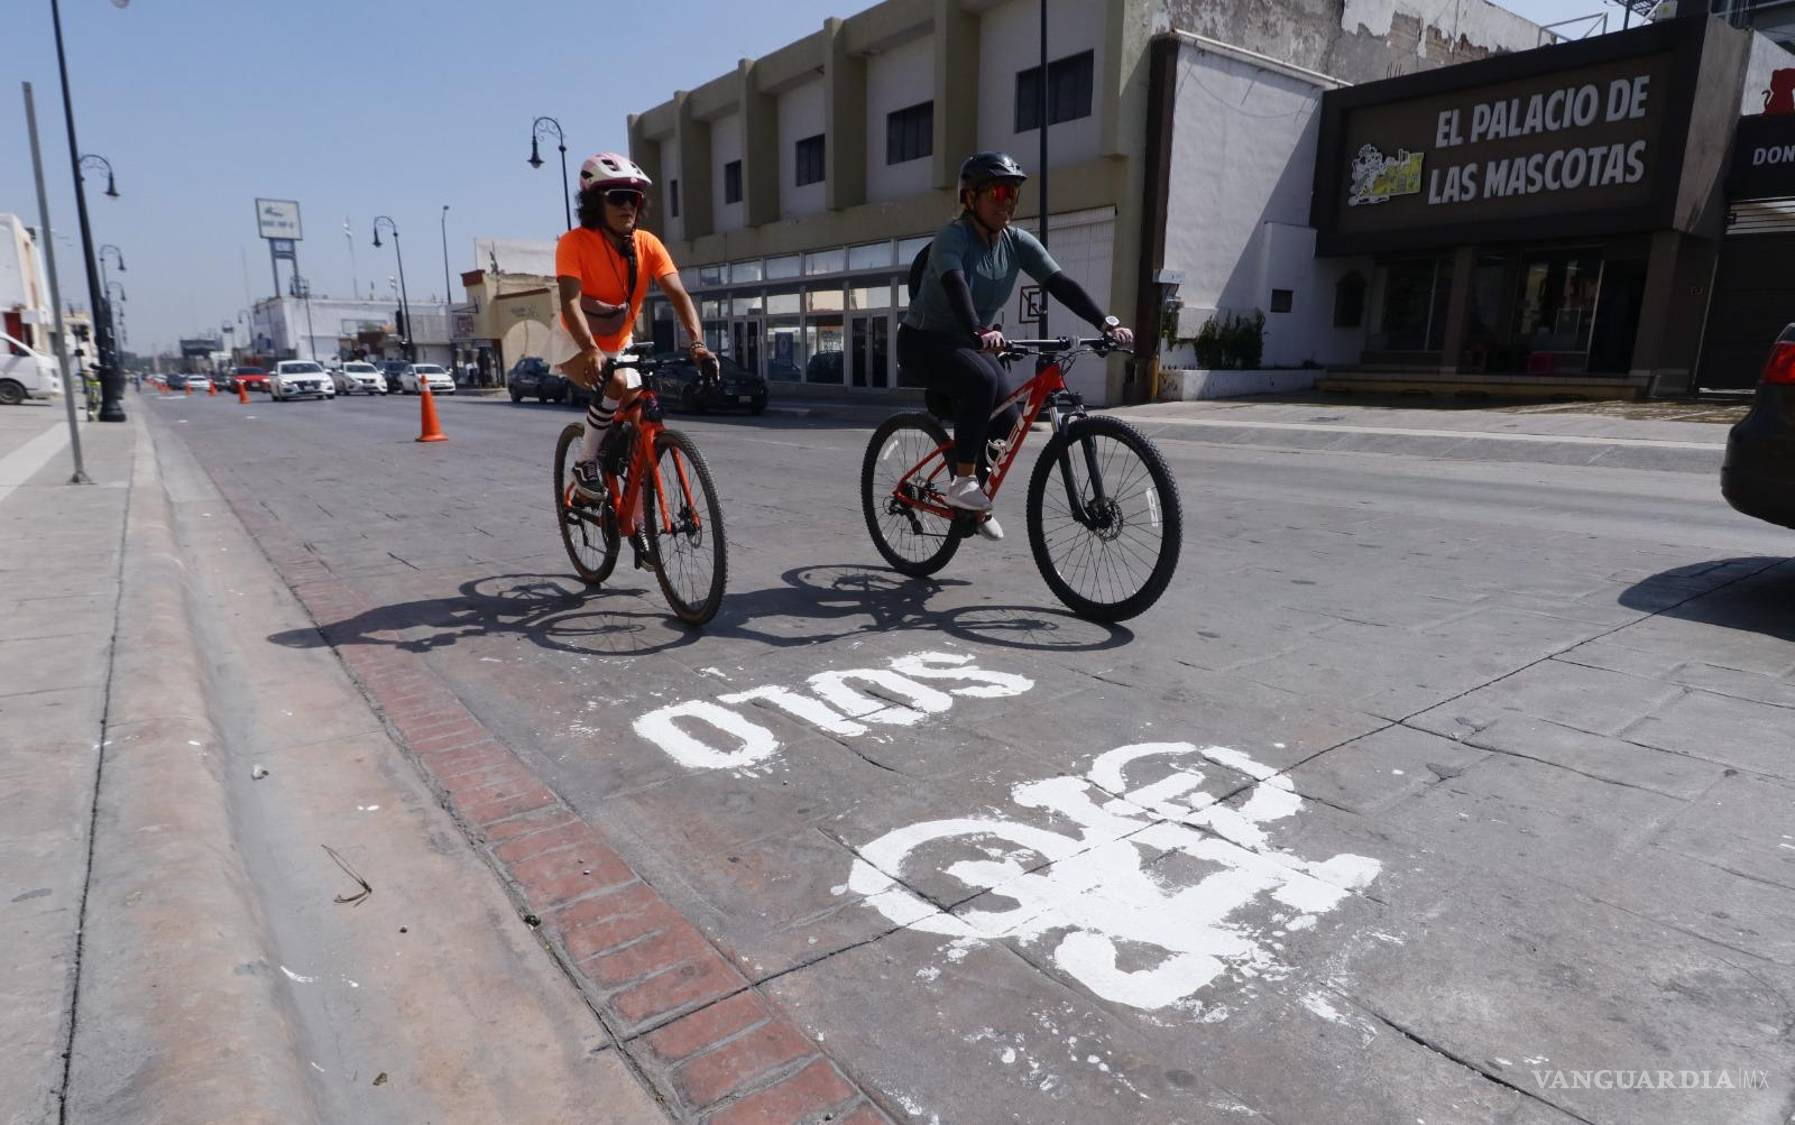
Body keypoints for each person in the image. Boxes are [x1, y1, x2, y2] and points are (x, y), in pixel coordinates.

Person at [898, 152, 1134, 541]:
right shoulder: (952, 238)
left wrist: (1104, 322)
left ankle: (973, 504)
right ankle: (963, 482)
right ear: (971, 198)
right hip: (924, 340)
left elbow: (1060, 283)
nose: (1007, 202)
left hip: (970, 341)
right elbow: (955, 285)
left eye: (1014, 194)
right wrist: (979, 330)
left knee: (1008, 418)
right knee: (979, 382)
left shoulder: (1016, 242)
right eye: (998, 192)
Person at [555, 152, 714, 509]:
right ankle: (584, 463)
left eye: (634, 198)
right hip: (577, 339)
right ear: (596, 202)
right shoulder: (574, 243)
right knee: (614, 384)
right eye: (616, 197)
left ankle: (638, 524)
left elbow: (678, 294)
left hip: (620, 340)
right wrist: (591, 349)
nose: (627, 205)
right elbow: (569, 303)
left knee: (641, 429)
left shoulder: (648, 244)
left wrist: (698, 344)